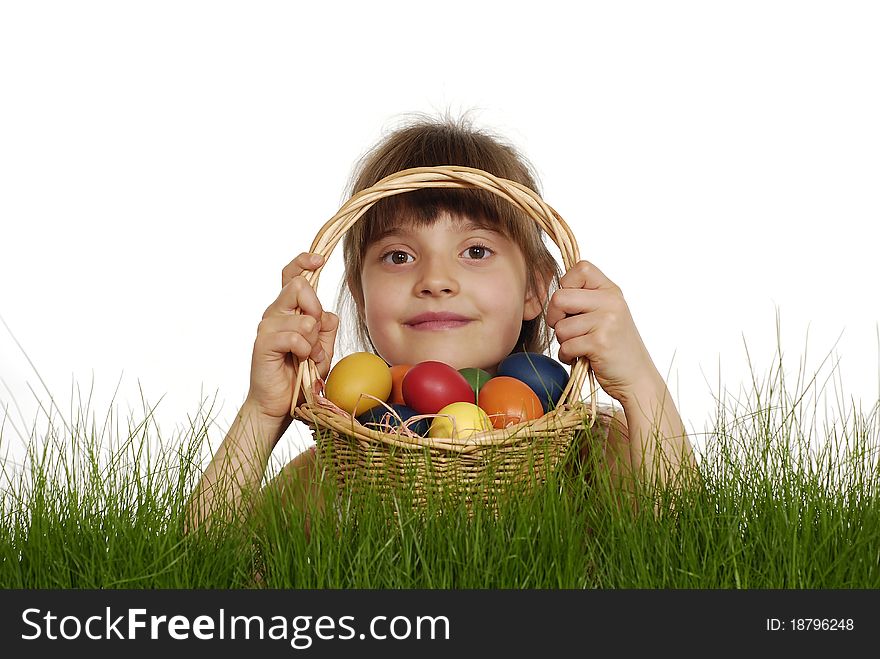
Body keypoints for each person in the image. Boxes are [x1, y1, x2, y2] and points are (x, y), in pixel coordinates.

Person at [186, 112, 698, 532]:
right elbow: (203, 576)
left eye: (475, 250)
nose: (435, 280)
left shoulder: (587, 448)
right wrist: (263, 412)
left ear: (536, 289)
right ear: (361, 299)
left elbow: (683, 549)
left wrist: (640, 384)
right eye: (398, 256)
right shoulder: (335, 471)